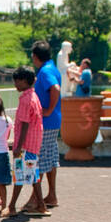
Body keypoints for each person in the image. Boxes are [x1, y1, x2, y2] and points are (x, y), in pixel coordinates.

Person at [4, 67, 49, 217]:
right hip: (34, 143)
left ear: (24, 81)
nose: (16, 84)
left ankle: (11, 206)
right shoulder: (34, 97)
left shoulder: (25, 99)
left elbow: (24, 124)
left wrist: (18, 146)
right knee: (32, 174)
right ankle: (41, 205)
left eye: (17, 80)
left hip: (25, 144)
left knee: (20, 174)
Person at [30, 40, 62, 208]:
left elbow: (55, 88)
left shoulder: (45, 71)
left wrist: (48, 109)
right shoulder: (52, 67)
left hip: (46, 121)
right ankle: (51, 195)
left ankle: (36, 198)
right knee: (50, 157)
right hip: (54, 120)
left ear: (35, 56)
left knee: (41, 158)